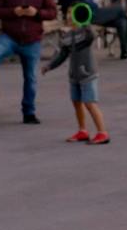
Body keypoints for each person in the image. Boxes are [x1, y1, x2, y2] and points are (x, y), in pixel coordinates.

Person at [44, 15, 108, 144]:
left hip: (88, 74)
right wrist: (50, 66)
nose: (70, 17)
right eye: (68, 13)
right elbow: (62, 54)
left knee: (90, 103)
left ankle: (102, 133)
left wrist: (85, 22)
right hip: (74, 75)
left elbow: (92, 36)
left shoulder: (85, 32)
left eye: (73, 13)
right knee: (76, 102)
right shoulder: (66, 36)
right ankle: (82, 130)